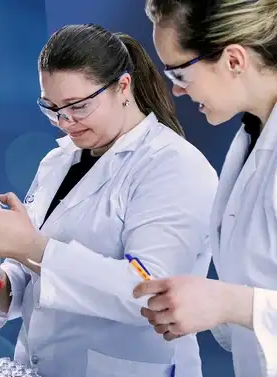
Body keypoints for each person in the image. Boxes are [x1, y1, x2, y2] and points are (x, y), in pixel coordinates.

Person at [0, 23, 218, 377]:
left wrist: (31, 247)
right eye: (51, 108)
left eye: (77, 106)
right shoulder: (58, 161)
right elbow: (41, 274)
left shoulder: (173, 166)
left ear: (123, 87)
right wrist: (5, 284)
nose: (65, 122)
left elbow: (150, 293)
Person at [132, 1, 277, 376]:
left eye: (179, 73)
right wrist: (197, 303)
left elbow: (243, 299)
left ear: (233, 60)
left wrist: (227, 303)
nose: (176, 92)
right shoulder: (252, 136)